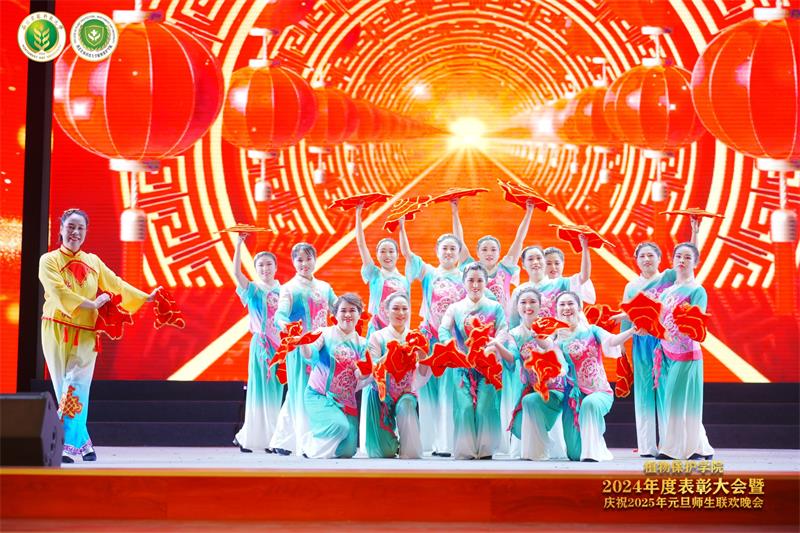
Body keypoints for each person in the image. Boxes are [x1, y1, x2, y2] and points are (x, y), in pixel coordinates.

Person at [39, 208, 158, 463]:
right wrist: (91, 304)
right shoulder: (48, 260)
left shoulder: (93, 261)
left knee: (76, 386)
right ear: (61, 229)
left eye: (80, 228)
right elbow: (58, 292)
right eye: (70, 227)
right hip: (56, 327)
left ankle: (67, 444)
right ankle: (83, 443)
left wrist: (144, 297)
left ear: (86, 232)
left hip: (86, 333)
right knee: (63, 388)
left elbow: (115, 283)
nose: (75, 232)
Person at [618, 221, 698, 457]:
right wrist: (622, 345)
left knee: (665, 391)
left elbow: (689, 260)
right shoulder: (631, 286)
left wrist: (694, 233)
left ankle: (668, 444)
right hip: (641, 343)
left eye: (651, 255)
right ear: (636, 260)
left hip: (665, 342)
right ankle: (646, 446)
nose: (646, 259)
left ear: (660, 259)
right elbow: (627, 315)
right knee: (643, 392)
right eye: (642, 256)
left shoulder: (668, 277)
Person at [398, 218, 466, 456]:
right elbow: (406, 254)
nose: (448, 252)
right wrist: (402, 225)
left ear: (459, 253)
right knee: (427, 390)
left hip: (452, 343)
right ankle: (429, 441)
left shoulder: (465, 276)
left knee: (450, 390)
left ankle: (448, 442)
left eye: (453, 248)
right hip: (429, 341)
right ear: (437, 251)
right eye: (444, 248)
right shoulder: (429, 272)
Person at [269, 242, 337, 456]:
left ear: (315, 260)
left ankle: (282, 440)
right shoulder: (289, 288)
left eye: (308, 259)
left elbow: (338, 309)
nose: (304, 264)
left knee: (303, 393)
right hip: (300, 349)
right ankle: (305, 442)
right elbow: (280, 315)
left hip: (322, 347)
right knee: (301, 392)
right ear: (293, 262)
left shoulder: (325, 287)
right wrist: (289, 329)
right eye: (299, 260)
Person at [552, 292, 635, 462]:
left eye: (570, 304)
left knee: (589, 404)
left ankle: (592, 452)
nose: (567, 308)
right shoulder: (555, 340)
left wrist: (632, 331)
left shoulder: (592, 331)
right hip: (573, 397)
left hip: (599, 392)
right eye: (562, 305)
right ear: (556, 310)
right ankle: (596, 445)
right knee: (574, 454)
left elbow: (612, 341)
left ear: (579, 307)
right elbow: (559, 364)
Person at [439, 263, 508, 459]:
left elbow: (503, 329)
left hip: (489, 365)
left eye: (480, 280)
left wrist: (494, 345)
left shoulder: (495, 307)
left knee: (486, 406)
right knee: (465, 406)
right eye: (471, 280)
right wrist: (452, 347)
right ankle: (465, 449)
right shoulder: (455, 308)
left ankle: (486, 449)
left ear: (486, 282)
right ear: (464, 282)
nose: (475, 285)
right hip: (463, 364)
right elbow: (443, 329)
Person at [491, 287, 569, 460]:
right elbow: (511, 359)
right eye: (523, 302)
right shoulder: (514, 334)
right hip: (532, 387)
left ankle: (546, 449)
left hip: (555, 385)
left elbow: (556, 353)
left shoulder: (550, 327)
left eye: (533, 302)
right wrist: (497, 345)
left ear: (540, 305)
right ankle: (536, 449)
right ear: (517, 307)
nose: (528, 306)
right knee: (527, 406)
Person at [656, 242, 714, 461]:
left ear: (695, 263)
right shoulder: (667, 292)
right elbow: (657, 319)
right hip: (667, 353)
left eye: (688, 257)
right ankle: (701, 447)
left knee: (676, 400)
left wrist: (683, 322)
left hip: (687, 354)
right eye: (678, 256)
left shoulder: (697, 290)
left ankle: (674, 449)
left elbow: (697, 322)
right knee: (681, 401)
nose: (682, 260)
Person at [231, 233, 283, 453]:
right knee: (259, 391)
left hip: (280, 348)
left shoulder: (284, 291)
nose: (265, 268)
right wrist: (239, 244)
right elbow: (236, 273)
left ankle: (273, 437)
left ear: (276, 267)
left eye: (269, 264)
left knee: (276, 392)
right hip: (261, 346)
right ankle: (255, 437)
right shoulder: (253, 289)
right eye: (260, 265)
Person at [301, 293, 369, 459]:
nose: (347, 314)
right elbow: (310, 353)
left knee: (347, 451)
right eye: (343, 310)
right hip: (319, 395)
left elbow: (360, 374)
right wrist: (303, 344)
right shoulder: (324, 334)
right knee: (340, 426)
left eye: (352, 310)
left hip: (346, 402)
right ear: (335, 314)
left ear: (359, 314)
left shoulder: (362, 344)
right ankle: (310, 446)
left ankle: (323, 441)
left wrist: (364, 372)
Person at [363, 292, 430, 458]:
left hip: (405, 392)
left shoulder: (414, 337)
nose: (401, 313)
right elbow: (372, 368)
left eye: (404, 309)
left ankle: (408, 447)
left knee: (407, 405)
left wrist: (423, 355)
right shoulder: (377, 337)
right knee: (382, 453)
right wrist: (391, 353)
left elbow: (423, 373)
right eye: (395, 308)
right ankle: (391, 444)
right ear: (386, 311)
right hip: (380, 394)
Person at [450, 198, 533, 314]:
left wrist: (529, 213)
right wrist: (454, 212)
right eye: (484, 249)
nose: (489, 253)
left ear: (499, 253)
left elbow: (519, 239)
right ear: (477, 253)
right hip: (472, 321)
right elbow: (459, 240)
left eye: (493, 250)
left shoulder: (506, 269)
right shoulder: (470, 268)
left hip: (501, 322)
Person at [510, 236, 595, 326]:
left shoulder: (561, 283)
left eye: (538, 258)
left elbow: (584, 276)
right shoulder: (519, 291)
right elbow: (513, 322)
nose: (535, 262)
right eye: (530, 259)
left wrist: (585, 248)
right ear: (523, 265)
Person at [354, 203, 410, 339]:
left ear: (397, 255)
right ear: (377, 255)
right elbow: (361, 245)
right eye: (383, 251)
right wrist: (358, 215)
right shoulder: (374, 274)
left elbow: (407, 310)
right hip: (377, 330)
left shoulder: (404, 280)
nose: (387, 255)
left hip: (398, 332)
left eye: (391, 251)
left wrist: (402, 227)